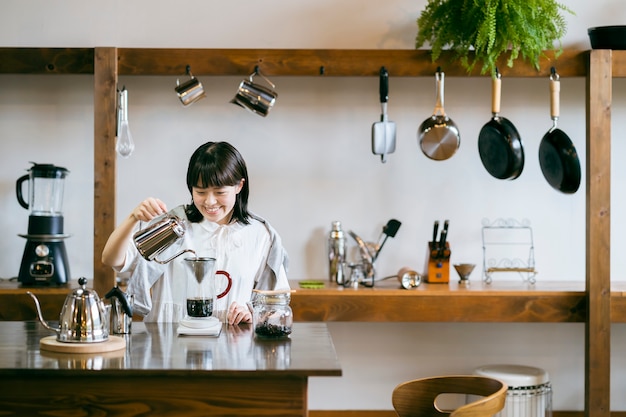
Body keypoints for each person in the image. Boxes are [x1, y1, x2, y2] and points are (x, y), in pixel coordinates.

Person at [101, 141, 290, 325]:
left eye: (219, 192)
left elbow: (277, 306)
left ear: (239, 186)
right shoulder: (173, 226)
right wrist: (133, 218)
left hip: (232, 346)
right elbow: (112, 259)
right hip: (169, 345)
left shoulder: (259, 235)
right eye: (200, 192)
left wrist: (251, 313)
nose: (210, 202)